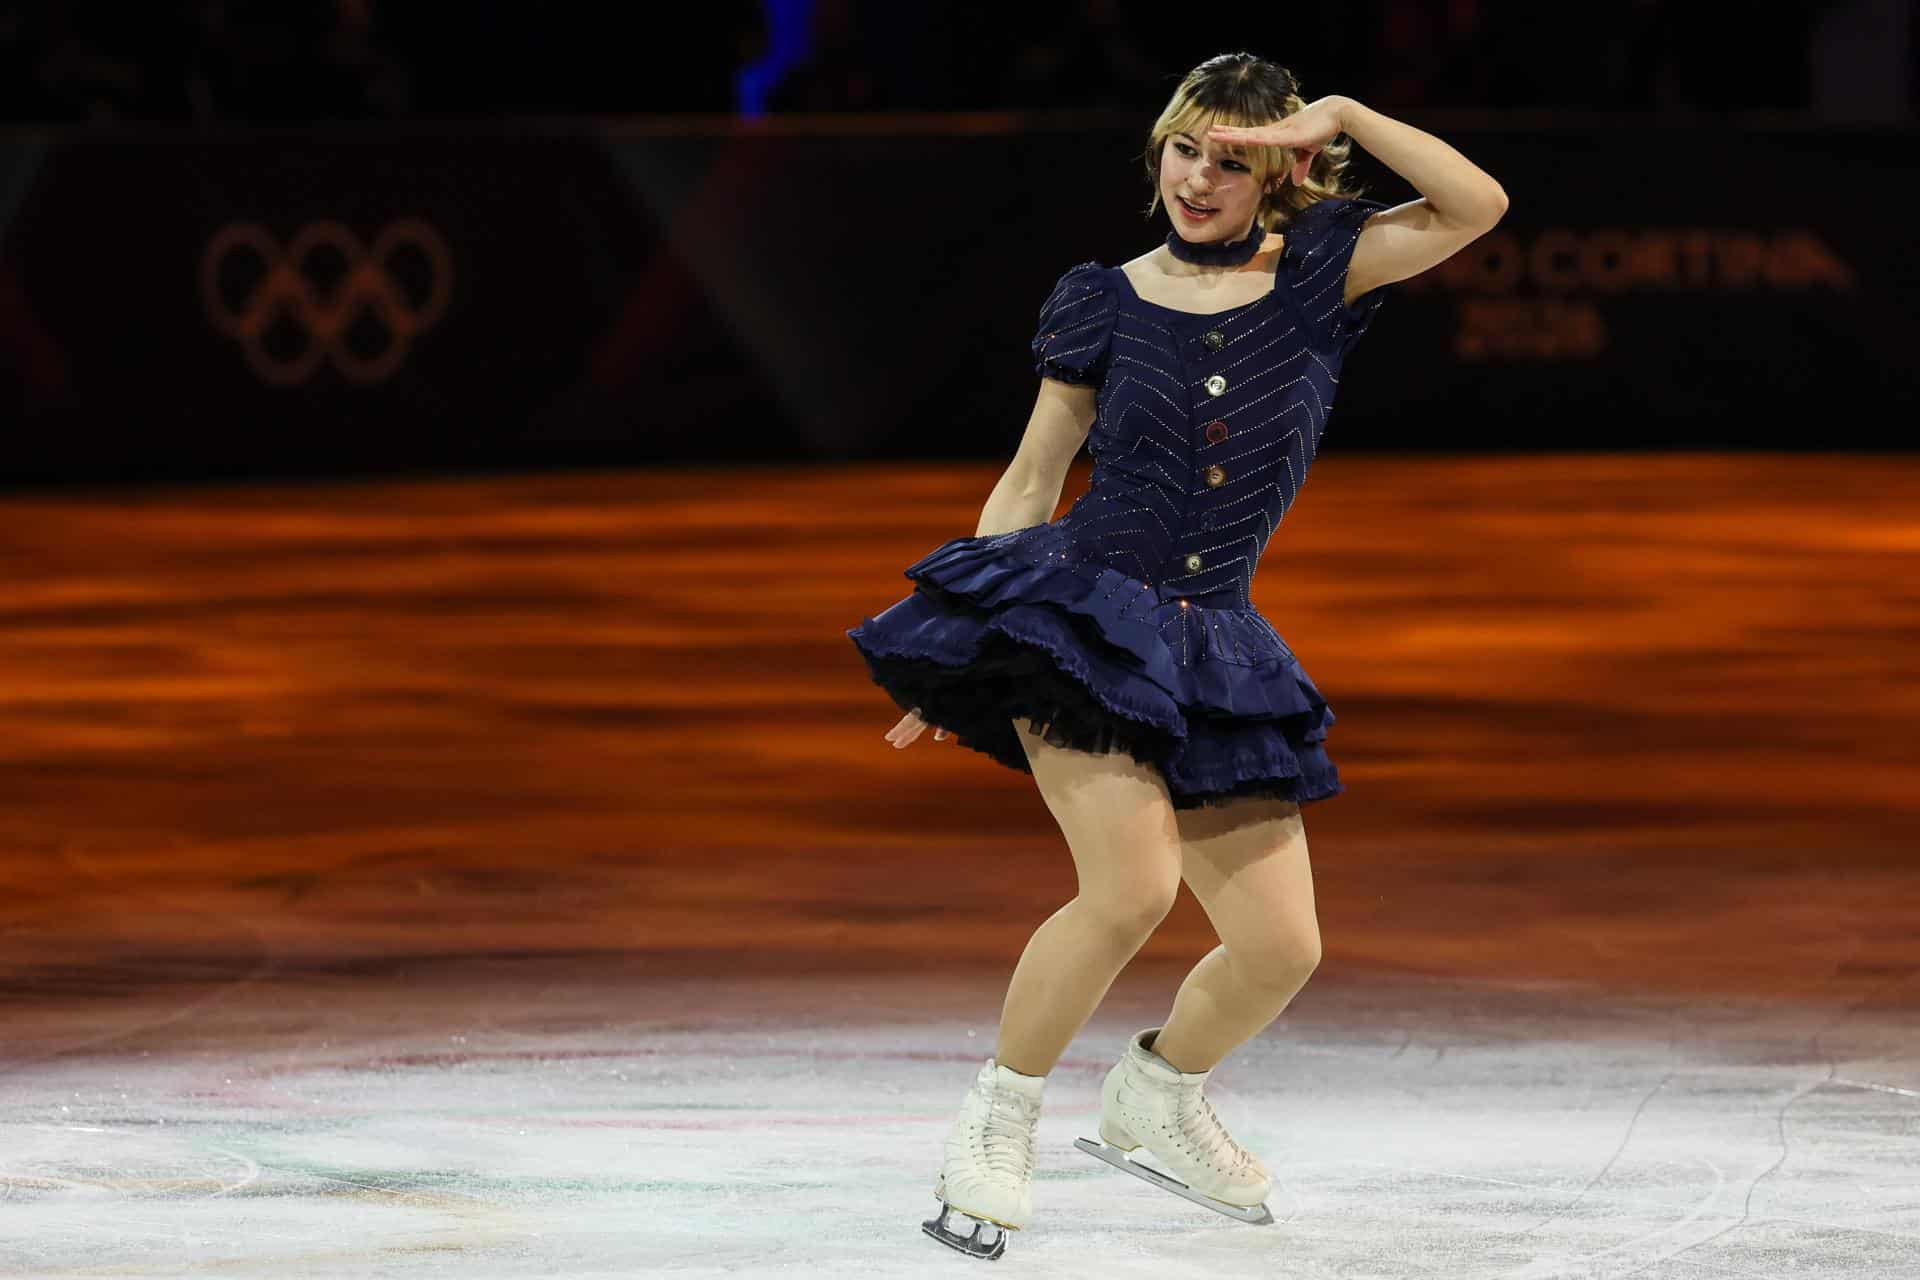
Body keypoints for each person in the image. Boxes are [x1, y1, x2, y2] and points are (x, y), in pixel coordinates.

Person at [845, 51, 1507, 1259]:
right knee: (1134, 887)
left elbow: (1477, 206)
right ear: (1159, 149)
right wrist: (973, 644)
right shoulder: (1103, 296)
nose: (1200, 178)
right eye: (1186, 148)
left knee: (1281, 948)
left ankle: (1155, 1094)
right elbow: (1036, 476)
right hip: (1084, 619)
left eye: (1235, 159)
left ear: (1281, 173)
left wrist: (1349, 114)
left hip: (1217, 638)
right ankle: (996, 1119)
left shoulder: (1320, 274)